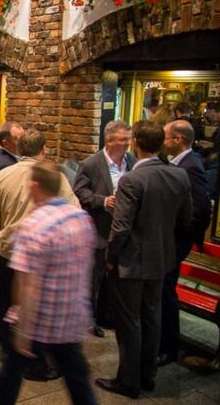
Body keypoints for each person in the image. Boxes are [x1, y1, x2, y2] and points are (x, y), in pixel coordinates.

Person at [96, 120, 192, 399]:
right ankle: (148, 373)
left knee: (129, 323)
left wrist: (110, 258)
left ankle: (128, 380)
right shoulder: (178, 176)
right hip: (160, 260)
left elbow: (121, 227)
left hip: (131, 263)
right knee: (152, 317)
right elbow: (186, 221)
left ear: (136, 142)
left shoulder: (133, 180)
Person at [0, 160, 97, 405]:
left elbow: (27, 283)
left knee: (10, 375)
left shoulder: (35, 225)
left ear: (35, 186)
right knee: (77, 379)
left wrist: (22, 330)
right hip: (70, 316)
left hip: (40, 317)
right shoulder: (81, 218)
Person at [0, 129, 79, 373]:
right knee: (34, 304)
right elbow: (73, 209)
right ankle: (33, 358)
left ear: (19, 148)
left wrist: (2, 236)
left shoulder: (3, 175)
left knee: (10, 300)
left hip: (8, 248)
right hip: (41, 253)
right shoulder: (54, 177)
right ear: (43, 149)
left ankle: (10, 350)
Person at [73, 120, 134, 339]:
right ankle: (90, 320)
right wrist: (102, 201)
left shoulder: (131, 161)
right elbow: (78, 192)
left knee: (115, 278)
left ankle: (108, 315)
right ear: (109, 140)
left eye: (129, 139)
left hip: (122, 232)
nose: (127, 144)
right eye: (123, 139)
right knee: (94, 278)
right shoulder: (91, 164)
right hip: (99, 230)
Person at [158, 120, 211, 366]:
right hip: (169, 241)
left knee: (166, 293)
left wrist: (180, 236)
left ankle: (168, 347)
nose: (163, 141)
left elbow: (201, 211)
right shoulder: (177, 163)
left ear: (178, 139)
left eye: (167, 137)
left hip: (175, 243)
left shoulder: (190, 167)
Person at [0, 121, 24, 341]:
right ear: (6, 142)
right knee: (1, 283)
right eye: (18, 139)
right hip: (3, 233)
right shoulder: (2, 165)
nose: (22, 143)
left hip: (4, 232)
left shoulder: (10, 161)